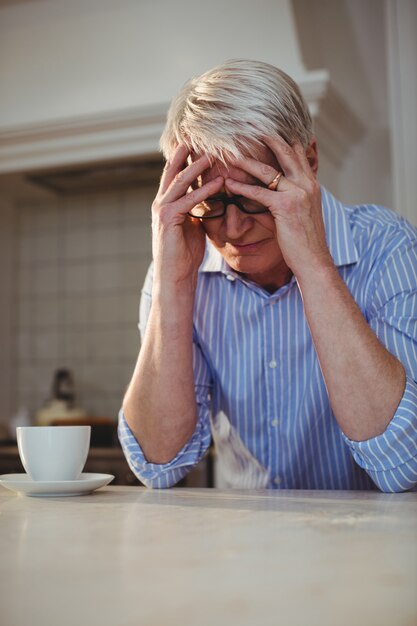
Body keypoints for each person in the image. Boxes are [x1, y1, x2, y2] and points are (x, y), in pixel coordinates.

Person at [119, 59, 417, 492]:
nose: (234, 229)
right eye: (212, 201)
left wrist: (314, 265)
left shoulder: (388, 247)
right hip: (244, 546)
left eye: (256, 196)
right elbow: (158, 465)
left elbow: (405, 462)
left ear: (309, 161)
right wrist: (174, 285)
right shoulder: (178, 265)